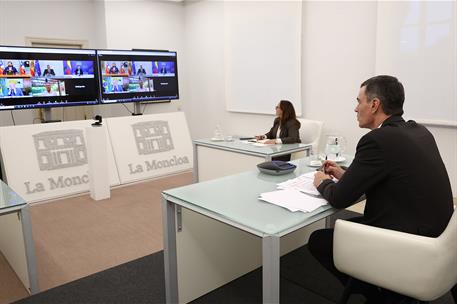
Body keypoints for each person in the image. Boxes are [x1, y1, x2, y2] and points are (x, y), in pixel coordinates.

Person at [309, 75, 454, 303]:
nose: (355, 109)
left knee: (319, 240)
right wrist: (344, 175)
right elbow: (393, 179)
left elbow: (339, 198)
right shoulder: (419, 132)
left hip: (407, 246)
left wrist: (321, 181)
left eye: (359, 101)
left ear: (374, 104)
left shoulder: (377, 140)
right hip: (440, 240)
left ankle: (378, 292)